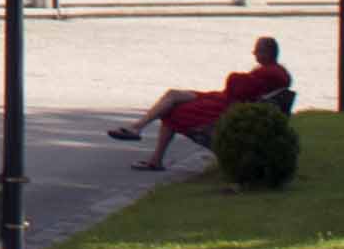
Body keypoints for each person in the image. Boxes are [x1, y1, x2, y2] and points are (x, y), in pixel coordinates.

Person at [109, 37, 292, 168]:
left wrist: (236, 77)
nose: (254, 53)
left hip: (225, 107)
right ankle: (138, 129)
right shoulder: (274, 72)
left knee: (172, 108)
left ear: (267, 53)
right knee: (172, 95)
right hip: (225, 101)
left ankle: (147, 145)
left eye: (257, 50)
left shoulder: (271, 73)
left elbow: (238, 86)